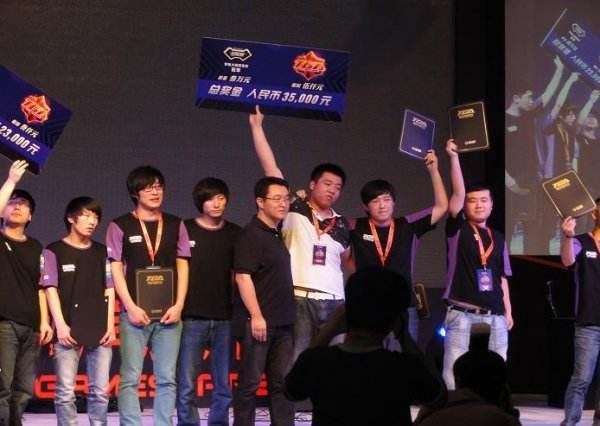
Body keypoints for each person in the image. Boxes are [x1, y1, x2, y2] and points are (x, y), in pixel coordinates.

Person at [249, 106, 351, 361]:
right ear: (312, 184)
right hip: (300, 298)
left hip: (336, 301)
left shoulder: (342, 224)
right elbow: (272, 170)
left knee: (336, 363)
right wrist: (257, 128)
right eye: (327, 184)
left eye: (338, 187)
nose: (332, 190)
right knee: (296, 361)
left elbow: (348, 263)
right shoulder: (293, 206)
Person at [285, 266, 445, 426]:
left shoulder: (318, 362)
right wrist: (405, 338)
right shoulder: (402, 367)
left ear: (346, 312)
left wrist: (330, 328)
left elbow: (291, 391)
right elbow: (439, 398)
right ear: (398, 319)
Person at [106, 165, 191, 426]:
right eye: (148, 188)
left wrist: (179, 305)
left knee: (167, 378)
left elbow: (183, 265)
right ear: (135, 193)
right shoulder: (120, 225)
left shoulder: (176, 224)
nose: (155, 192)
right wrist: (130, 306)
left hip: (169, 314)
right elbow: (116, 268)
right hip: (134, 315)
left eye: (159, 187)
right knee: (130, 377)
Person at [349, 148, 448, 341]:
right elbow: (328, 225)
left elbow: (442, 206)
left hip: (403, 306)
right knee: (369, 356)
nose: (382, 205)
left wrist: (434, 171)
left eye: (386, 199)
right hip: (367, 307)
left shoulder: (408, 225)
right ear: (365, 206)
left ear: (394, 202)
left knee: (403, 356)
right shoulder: (355, 226)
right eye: (375, 201)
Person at [442, 140, 513, 390]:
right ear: (465, 205)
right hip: (462, 313)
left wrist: (508, 312)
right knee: (454, 372)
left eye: (484, 200)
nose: (479, 204)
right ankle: (456, 409)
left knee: (496, 373)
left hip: (495, 316)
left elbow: (502, 277)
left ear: (492, 205)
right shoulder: (457, 230)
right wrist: (454, 158)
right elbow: (457, 194)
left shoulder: (499, 238)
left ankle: (490, 409)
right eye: (473, 200)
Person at [42, 196, 115, 425]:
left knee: (100, 391)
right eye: (86, 215)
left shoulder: (103, 252)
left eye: (95, 217)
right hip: (67, 328)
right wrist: (60, 326)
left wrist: (109, 326)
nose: (92, 221)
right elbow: (50, 289)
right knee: (65, 392)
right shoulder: (53, 251)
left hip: (98, 329)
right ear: (71, 218)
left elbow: (110, 289)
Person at [176, 178, 241, 426]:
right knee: (187, 383)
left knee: (222, 384)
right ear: (200, 202)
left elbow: (240, 275)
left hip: (225, 317)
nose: (216, 203)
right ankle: (188, 423)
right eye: (210, 199)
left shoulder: (235, 233)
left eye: (221, 198)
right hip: (191, 317)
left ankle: (218, 422)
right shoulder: (185, 229)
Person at [232, 176, 295, 426]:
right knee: (250, 383)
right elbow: (243, 277)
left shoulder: (276, 233)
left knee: (281, 383)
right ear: (260, 202)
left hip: (283, 323)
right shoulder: (251, 235)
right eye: (276, 198)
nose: (283, 203)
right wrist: (256, 316)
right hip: (259, 323)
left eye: (286, 198)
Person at [0, 160, 52, 426]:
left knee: (23, 389)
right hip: (4, 323)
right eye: (12, 202)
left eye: (23, 204)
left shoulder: (36, 247)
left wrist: (44, 321)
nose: (17, 206)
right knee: (3, 385)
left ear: (31, 216)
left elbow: (40, 287)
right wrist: (11, 181)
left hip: (31, 326)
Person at [559, 208, 600, 426]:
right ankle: (570, 422)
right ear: (595, 214)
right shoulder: (581, 241)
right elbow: (567, 261)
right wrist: (568, 237)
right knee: (582, 378)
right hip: (588, 323)